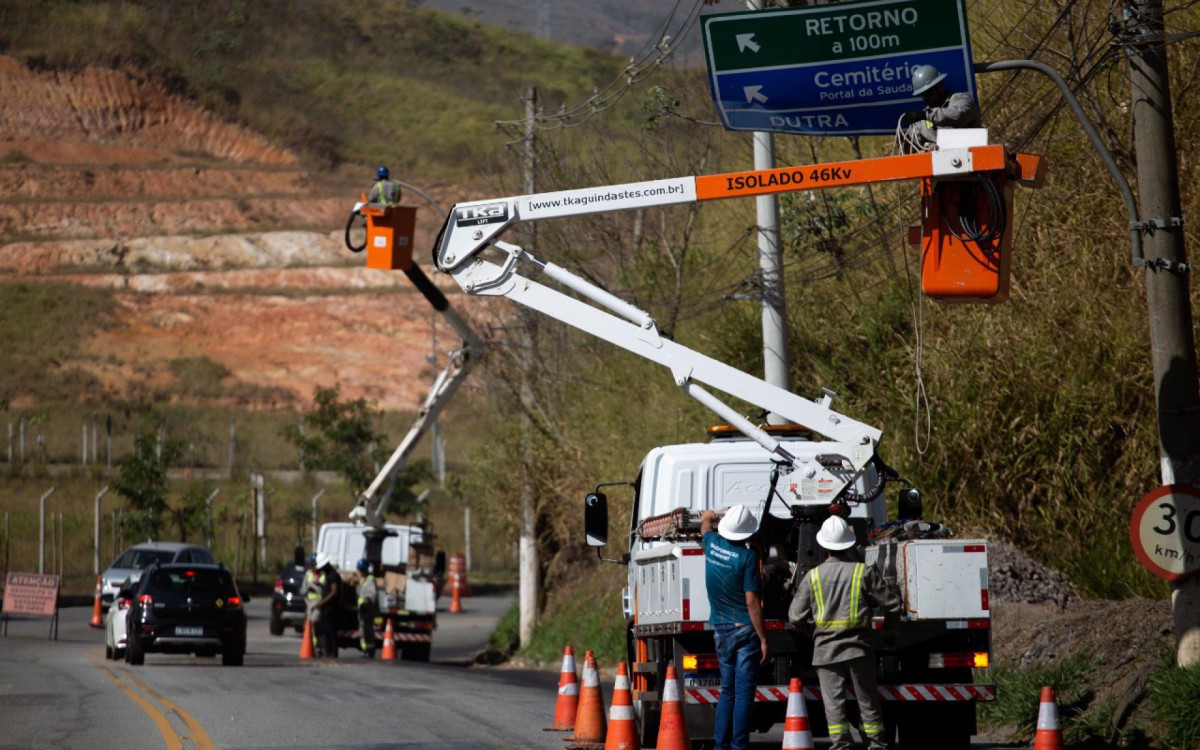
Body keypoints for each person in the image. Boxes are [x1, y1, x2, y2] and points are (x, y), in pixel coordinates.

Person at [788, 515, 901, 750]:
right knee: (867, 702)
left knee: (834, 705)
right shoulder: (864, 572)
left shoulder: (813, 577)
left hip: (826, 651)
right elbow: (892, 604)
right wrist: (890, 629)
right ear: (849, 543)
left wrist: (807, 629)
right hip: (859, 649)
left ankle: (841, 746)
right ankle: (877, 745)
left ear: (823, 545)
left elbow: (795, 617)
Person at [700, 504, 769, 750]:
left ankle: (721, 746)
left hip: (720, 628)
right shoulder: (748, 557)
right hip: (744, 630)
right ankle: (739, 746)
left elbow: (706, 523)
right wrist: (762, 638)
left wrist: (713, 515)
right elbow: (752, 602)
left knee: (727, 691)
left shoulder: (711, 543)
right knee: (743, 694)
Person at [900, 64, 981, 152]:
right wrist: (905, 142)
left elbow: (957, 115)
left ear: (940, 86)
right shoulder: (922, 120)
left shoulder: (962, 100)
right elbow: (915, 148)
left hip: (973, 158)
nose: (926, 98)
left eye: (928, 93)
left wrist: (927, 115)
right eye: (922, 95)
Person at [313, 552, 342, 659]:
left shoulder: (333, 575)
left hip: (331, 608)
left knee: (331, 631)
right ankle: (328, 651)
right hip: (327, 608)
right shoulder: (328, 575)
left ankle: (333, 652)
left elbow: (334, 592)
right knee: (326, 630)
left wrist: (322, 602)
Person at [355, 558, 379, 658]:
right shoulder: (362, 580)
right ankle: (365, 649)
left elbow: (372, 595)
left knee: (367, 631)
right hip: (362, 610)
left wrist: (366, 602)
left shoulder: (370, 580)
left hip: (368, 610)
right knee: (362, 630)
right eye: (359, 570)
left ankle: (369, 650)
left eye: (362, 570)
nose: (360, 572)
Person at [302, 552, 324, 657]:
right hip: (309, 605)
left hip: (319, 605)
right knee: (310, 627)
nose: (313, 567)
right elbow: (302, 590)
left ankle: (319, 646)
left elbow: (326, 591)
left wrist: (318, 586)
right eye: (312, 565)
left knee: (315, 622)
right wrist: (307, 588)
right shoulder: (308, 574)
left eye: (315, 564)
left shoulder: (323, 575)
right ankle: (315, 647)